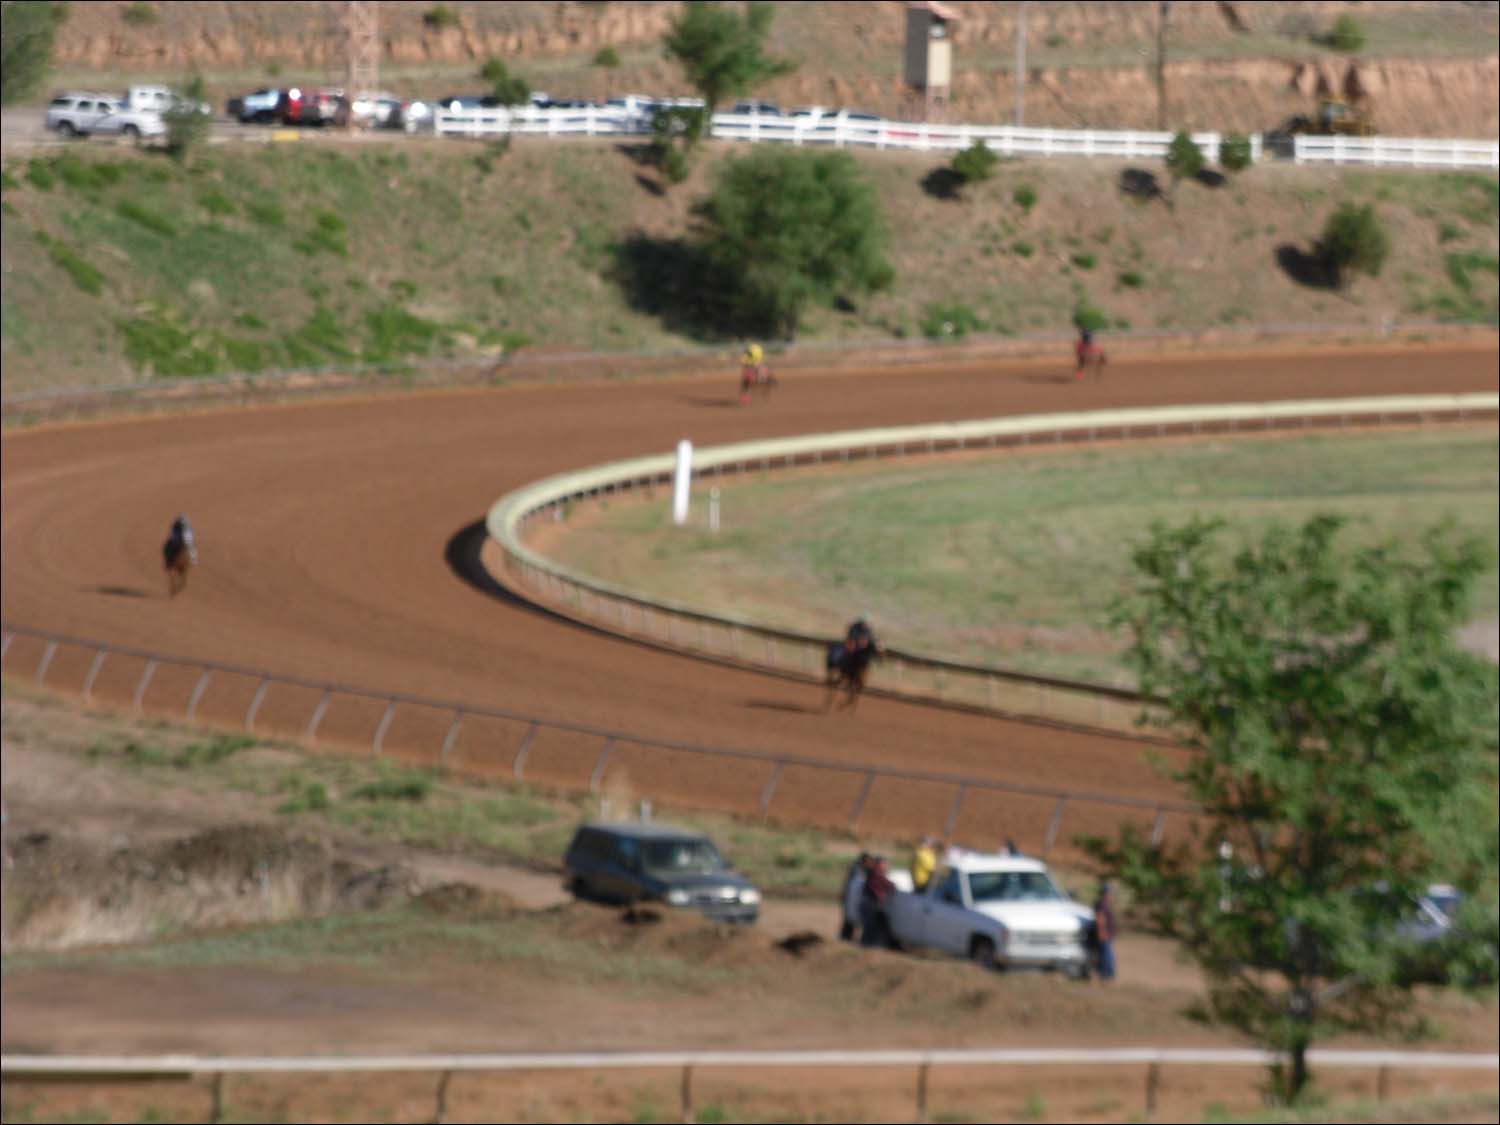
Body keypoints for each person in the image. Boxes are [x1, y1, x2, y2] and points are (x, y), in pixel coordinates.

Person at [859, 856, 895, 948]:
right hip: (870, 904)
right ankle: (866, 946)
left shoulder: (875, 873)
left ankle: (867, 945)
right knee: (870, 927)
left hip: (871, 904)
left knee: (872, 927)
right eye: (885, 864)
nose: (887, 867)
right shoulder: (876, 873)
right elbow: (887, 885)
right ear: (880, 864)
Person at [840, 852, 871, 942]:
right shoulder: (856, 869)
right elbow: (848, 885)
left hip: (852, 898)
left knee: (852, 920)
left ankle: (848, 938)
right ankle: (846, 938)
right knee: (850, 920)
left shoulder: (859, 868)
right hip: (851, 898)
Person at [1091, 880, 1118, 982]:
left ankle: (1107, 975)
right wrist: (1101, 932)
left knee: (1107, 955)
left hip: (1106, 935)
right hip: (1104, 935)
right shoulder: (1101, 905)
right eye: (1111, 893)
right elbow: (1100, 919)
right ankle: (1105, 976)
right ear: (1106, 894)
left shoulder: (1103, 904)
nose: (1112, 896)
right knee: (1106, 956)